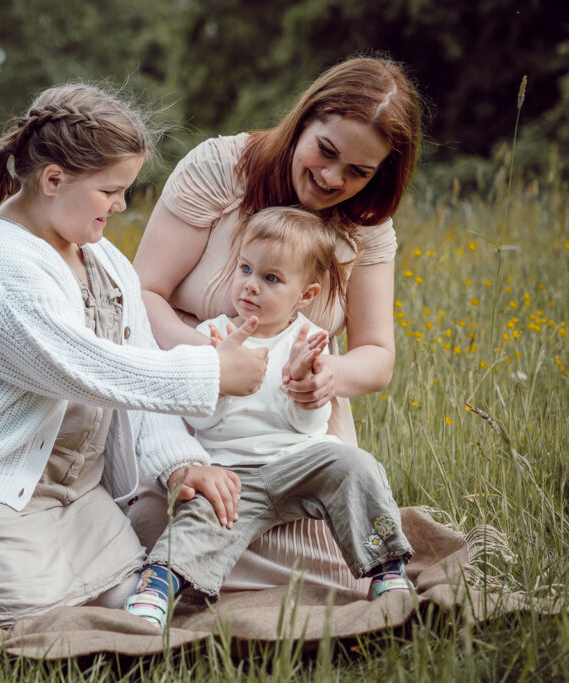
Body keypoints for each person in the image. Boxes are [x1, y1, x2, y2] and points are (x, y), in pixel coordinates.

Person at [0, 83, 269, 628]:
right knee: (39, 620)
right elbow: (85, 369)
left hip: (78, 504)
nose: (122, 206)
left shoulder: (102, 257)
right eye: (111, 191)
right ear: (53, 179)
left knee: (139, 606)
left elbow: (138, 376)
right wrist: (210, 371)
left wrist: (180, 463)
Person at [130, 56, 422, 591]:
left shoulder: (368, 225)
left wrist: (328, 376)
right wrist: (206, 358)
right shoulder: (221, 167)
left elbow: (377, 354)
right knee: (162, 522)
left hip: (295, 435)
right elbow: (141, 293)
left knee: (340, 574)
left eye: (358, 171)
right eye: (326, 151)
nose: (333, 178)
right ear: (303, 120)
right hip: (188, 412)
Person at [125, 207, 414, 628]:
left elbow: (309, 427)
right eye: (245, 268)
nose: (251, 286)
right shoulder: (214, 334)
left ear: (306, 294)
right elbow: (202, 423)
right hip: (232, 470)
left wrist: (302, 387)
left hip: (299, 461)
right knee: (201, 513)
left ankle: (385, 569)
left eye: (271, 278)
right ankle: (158, 586)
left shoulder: (307, 341)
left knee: (356, 465)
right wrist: (218, 378)